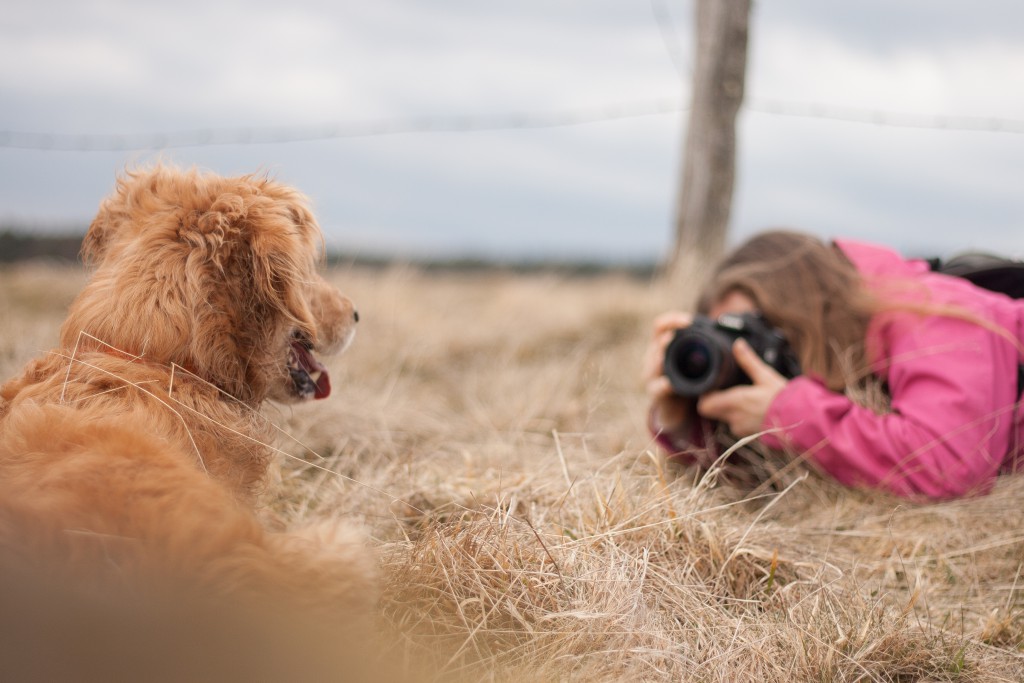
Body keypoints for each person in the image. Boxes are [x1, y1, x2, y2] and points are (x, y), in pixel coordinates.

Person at [644, 230, 1024, 499]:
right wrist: (683, 423)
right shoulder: (840, 358)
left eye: (755, 330)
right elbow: (762, 482)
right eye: (727, 339)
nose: (746, 353)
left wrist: (788, 414)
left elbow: (948, 466)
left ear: (810, 311)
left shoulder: (929, 311)